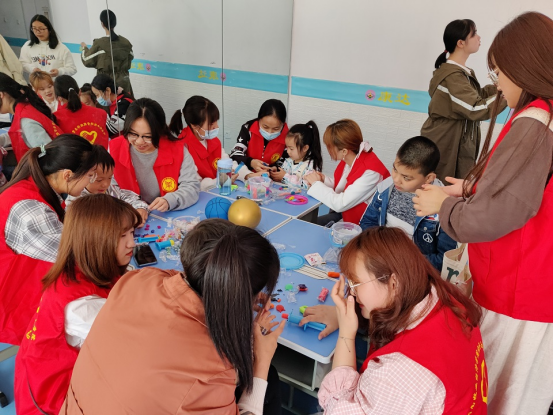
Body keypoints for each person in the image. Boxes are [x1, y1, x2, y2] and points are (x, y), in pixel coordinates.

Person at [412, 12, 553, 415]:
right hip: (523, 280)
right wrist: (472, 187)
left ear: (525, 67)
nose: (498, 83)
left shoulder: (535, 121)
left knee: (499, 396)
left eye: (500, 72)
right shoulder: (538, 114)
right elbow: (526, 187)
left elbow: (501, 211)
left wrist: (445, 205)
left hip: (518, 290)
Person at [61, 219, 284, 414]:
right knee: (267, 379)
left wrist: (232, 294)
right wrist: (262, 358)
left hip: (79, 406)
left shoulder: (138, 279)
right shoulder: (214, 367)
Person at [318, 227, 485, 414]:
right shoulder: (444, 298)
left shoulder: (399, 371)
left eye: (356, 283)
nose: (353, 293)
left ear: (394, 283)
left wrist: (346, 334)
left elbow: (337, 411)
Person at [14, 194, 140, 415]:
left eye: (132, 232)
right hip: (54, 397)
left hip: (38, 368)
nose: (132, 243)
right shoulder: (82, 307)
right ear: (94, 240)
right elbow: (134, 344)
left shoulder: (78, 267)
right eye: (122, 236)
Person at [0, 135, 99, 345]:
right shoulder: (31, 211)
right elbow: (74, 255)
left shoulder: (38, 186)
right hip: (15, 297)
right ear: (67, 175)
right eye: (90, 176)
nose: (90, 183)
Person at [421, 19, 506, 181]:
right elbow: (476, 108)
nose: (479, 37)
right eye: (474, 34)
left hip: (456, 139)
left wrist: (501, 85)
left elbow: (477, 96)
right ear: (461, 43)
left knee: (450, 185)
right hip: (446, 141)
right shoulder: (453, 76)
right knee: (440, 185)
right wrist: (507, 92)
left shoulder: (462, 73)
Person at [360, 136, 456, 270]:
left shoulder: (443, 207)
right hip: (383, 260)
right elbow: (367, 222)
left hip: (416, 271)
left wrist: (404, 260)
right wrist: (380, 249)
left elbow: (445, 260)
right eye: (395, 169)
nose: (396, 179)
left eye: (406, 177)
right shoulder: (386, 188)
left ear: (429, 178)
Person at [110, 98, 200, 212]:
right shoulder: (114, 149)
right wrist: (138, 206)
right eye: (133, 134)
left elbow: (191, 187)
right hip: (130, 214)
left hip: (166, 214)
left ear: (159, 131)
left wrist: (170, 200)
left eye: (147, 136)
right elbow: (111, 189)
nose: (139, 142)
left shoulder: (178, 151)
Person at [305, 119, 389, 226]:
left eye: (329, 146)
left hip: (363, 226)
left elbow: (341, 203)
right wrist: (323, 180)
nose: (328, 150)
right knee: (309, 224)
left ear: (344, 151)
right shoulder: (351, 158)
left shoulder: (371, 172)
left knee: (310, 225)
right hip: (346, 214)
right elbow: (346, 187)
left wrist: (316, 184)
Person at [66, 146, 149, 225]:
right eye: (99, 180)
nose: (105, 184)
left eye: (109, 178)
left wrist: (140, 208)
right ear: (83, 176)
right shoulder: (76, 200)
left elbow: (126, 197)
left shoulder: (109, 189)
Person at [169, 95, 232, 191]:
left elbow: (225, 159)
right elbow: (195, 183)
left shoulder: (210, 138)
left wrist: (246, 174)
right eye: (211, 124)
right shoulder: (183, 147)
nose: (216, 127)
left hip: (216, 188)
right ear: (194, 126)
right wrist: (221, 180)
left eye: (216, 121)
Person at [0, 72, 63, 161]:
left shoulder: (26, 121)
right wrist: (3, 140)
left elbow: (48, 156)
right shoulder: (25, 107)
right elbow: (24, 135)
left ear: (1, 95)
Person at [230, 99, 289, 181]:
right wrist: (251, 162)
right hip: (245, 174)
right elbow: (235, 154)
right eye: (265, 127)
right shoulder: (248, 129)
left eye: (276, 128)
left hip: (269, 179)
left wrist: (275, 169)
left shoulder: (288, 137)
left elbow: (287, 162)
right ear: (259, 119)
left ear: (283, 124)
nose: (269, 132)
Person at [80, 9, 134, 94]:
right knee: (125, 101)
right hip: (124, 83)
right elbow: (131, 57)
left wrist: (84, 48)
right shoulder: (125, 43)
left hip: (106, 85)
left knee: (108, 102)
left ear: (102, 24)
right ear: (115, 23)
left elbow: (86, 60)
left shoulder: (100, 44)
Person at [54, 75, 109, 149]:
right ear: (80, 92)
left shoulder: (56, 119)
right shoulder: (101, 113)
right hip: (103, 156)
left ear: (59, 98)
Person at [19, 14, 76, 79]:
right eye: (34, 29)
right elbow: (22, 63)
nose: (38, 32)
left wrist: (59, 71)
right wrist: (32, 69)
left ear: (49, 29)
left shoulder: (61, 48)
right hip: (37, 84)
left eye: (41, 29)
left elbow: (72, 69)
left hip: (55, 83)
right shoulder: (27, 46)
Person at [269, 121, 323, 189]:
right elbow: (283, 174)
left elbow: (307, 185)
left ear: (305, 148)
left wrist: (284, 177)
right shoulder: (288, 160)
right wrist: (276, 172)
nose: (288, 151)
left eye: (291, 149)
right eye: (287, 147)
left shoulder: (311, 165)